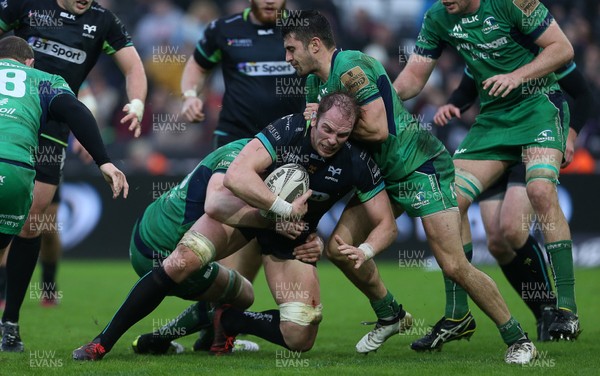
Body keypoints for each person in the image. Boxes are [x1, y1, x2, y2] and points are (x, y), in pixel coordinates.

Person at [282, 10, 536, 364]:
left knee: (453, 265)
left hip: (419, 166)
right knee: (339, 248)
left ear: (314, 45)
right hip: (380, 176)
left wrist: (329, 125)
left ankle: (518, 339)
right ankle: (392, 315)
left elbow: (379, 130)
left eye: (291, 49)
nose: (287, 58)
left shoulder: (352, 67)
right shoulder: (313, 84)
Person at [72, 92, 398, 360]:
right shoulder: (283, 133)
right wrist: (279, 212)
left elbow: (385, 223)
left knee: (301, 333)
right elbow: (221, 199)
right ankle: (102, 342)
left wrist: (361, 249)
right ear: (313, 118)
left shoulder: (356, 160)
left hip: (291, 236)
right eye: (326, 130)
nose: (331, 140)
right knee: (184, 259)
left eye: (341, 135)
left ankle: (229, 322)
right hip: (253, 215)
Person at [394, 0, 579, 350]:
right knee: (447, 202)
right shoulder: (437, 17)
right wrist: (373, 97)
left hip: (539, 107)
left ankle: (566, 308)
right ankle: (457, 315)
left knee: (540, 191)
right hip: (493, 120)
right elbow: (414, 77)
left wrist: (516, 76)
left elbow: (563, 48)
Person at [0, 0, 147, 352]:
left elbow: (133, 66)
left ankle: (11, 323)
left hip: (53, 126)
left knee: (33, 221)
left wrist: (137, 103)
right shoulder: (25, 5)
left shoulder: (103, 20)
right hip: (13, 115)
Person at [432, 62, 593, 342]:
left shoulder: (538, 45)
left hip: (530, 139)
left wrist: (571, 134)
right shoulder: (480, 47)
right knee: (496, 241)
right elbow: (466, 90)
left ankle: (556, 307)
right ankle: (542, 310)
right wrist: (452, 105)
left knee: (512, 228)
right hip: (493, 141)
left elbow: (584, 94)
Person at [180, 0, 305, 350]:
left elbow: (323, 68)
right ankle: (214, 321)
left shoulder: (301, 28)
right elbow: (196, 66)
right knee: (223, 228)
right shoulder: (225, 30)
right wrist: (190, 95)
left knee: (256, 227)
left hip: (286, 151)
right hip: (233, 147)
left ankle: (217, 322)